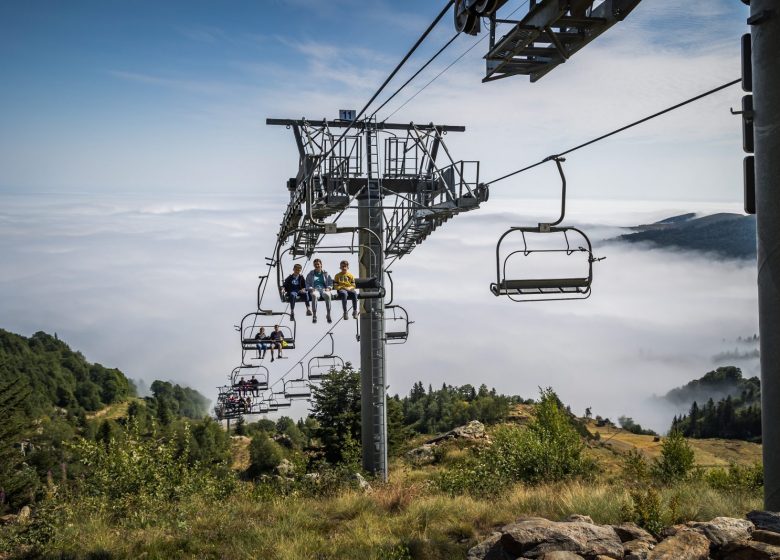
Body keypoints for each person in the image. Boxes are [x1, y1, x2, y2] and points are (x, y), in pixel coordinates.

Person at [305, 258, 333, 324]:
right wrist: (311, 288)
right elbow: (307, 283)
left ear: (321, 265)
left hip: (323, 289)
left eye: (318, 264)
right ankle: (314, 315)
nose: (317, 266)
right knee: (314, 295)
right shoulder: (311, 274)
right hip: (315, 289)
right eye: (315, 264)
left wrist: (328, 288)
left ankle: (328, 314)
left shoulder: (325, 273)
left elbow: (330, 282)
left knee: (327, 295)